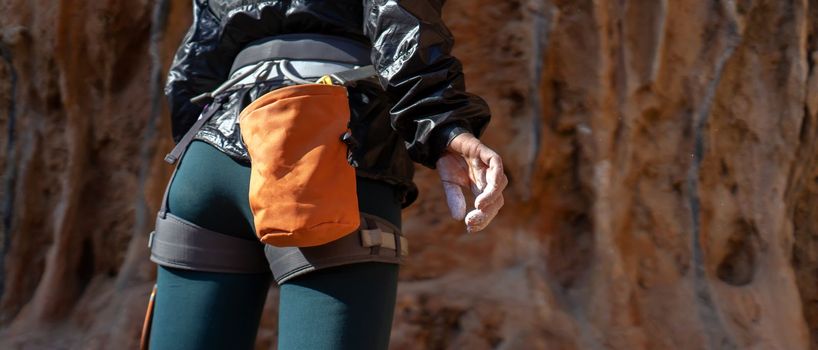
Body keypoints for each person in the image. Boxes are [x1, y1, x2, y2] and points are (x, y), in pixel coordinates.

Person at [143, 1, 508, 349]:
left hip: (209, 159)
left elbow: (195, 61)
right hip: (328, 144)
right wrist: (443, 127)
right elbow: (400, 16)